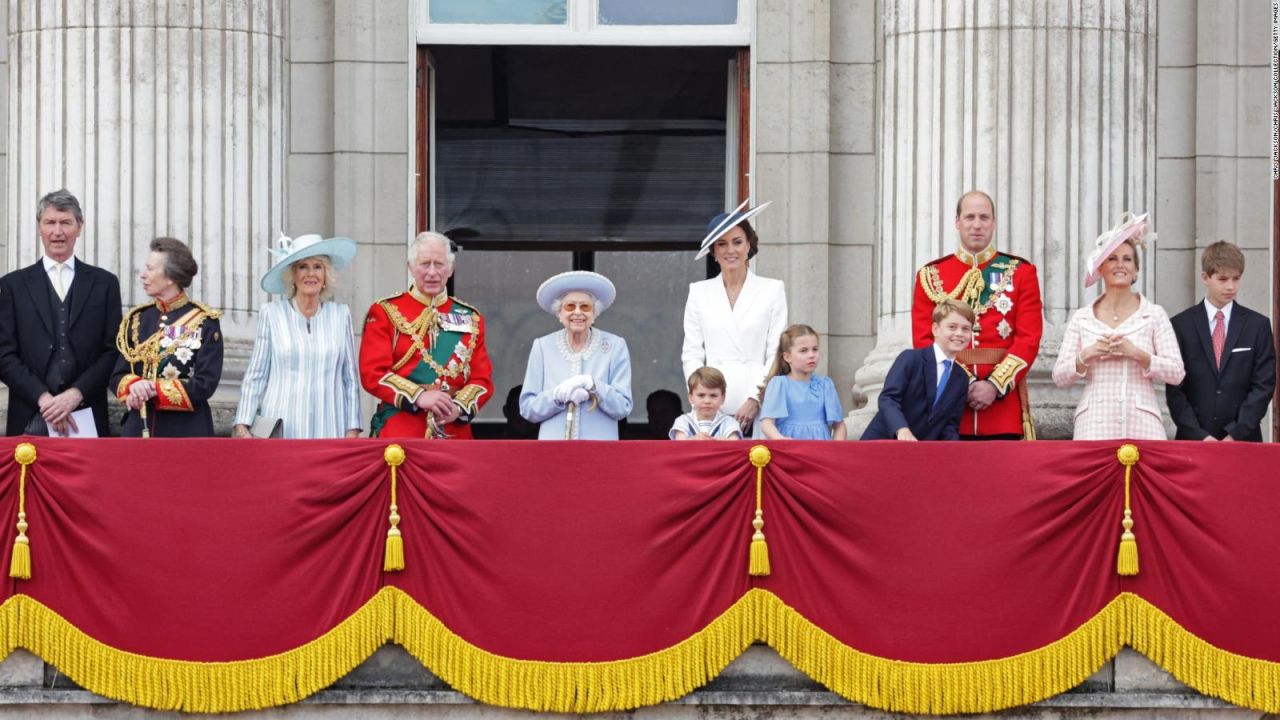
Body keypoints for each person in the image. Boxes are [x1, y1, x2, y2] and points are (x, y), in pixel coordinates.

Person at [913, 191, 1043, 439]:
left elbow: (1029, 338)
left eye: (984, 217)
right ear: (957, 222)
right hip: (950, 408)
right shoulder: (931, 275)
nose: (976, 225)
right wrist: (965, 384)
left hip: (1001, 411)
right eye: (969, 217)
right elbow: (924, 341)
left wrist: (994, 385)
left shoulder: (1021, 272)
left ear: (993, 222)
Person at [0, 190, 122, 436]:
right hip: (29, 415)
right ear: (39, 227)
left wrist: (75, 395)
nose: (58, 231)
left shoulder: (105, 283)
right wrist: (43, 398)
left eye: (66, 222)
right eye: (50, 222)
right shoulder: (12, 285)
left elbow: (113, 351)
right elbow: (4, 354)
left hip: (86, 414)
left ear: (79, 227)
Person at [1051, 214, 1184, 440]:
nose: (1120, 265)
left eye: (1127, 259)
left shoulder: (1154, 314)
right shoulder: (1082, 318)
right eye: (1112, 259)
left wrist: (1138, 354)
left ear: (1136, 270)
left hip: (1142, 424)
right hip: (1094, 424)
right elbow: (1059, 377)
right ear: (1101, 269)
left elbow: (1176, 373)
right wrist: (1086, 355)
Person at [359, 232, 493, 439]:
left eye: (439, 264)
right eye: (424, 264)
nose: (432, 272)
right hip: (402, 428)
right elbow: (373, 373)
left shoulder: (471, 317)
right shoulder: (386, 311)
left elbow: (482, 380)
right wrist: (419, 396)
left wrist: (458, 408)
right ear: (410, 267)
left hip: (453, 430)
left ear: (451, 269)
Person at [232, 233, 363, 439]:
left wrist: (353, 428)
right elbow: (257, 374)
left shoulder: (340, 315)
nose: (310, 274)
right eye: (303, 266)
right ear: (292, 275)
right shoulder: (271, 313)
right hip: (282, 427)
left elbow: (350, 378)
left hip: (330, 427)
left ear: (326, 275)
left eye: (318, 267)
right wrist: (242, 424)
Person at [681, 201, 787, 435]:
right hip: (712, 400)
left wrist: (756, 398)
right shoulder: (699, 292)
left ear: (749, 245)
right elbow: (692, 353)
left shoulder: (772, 289)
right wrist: (703, 399)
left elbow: (776, 351)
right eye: (722, 244)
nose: (731, 250)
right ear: (714, 252)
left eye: (737, 242)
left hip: (757, 399)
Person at [112, 237, 224, 437]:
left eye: (150, 269)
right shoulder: (137, 320)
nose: (143, 275)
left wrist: (154, 390)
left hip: (185, 432)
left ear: (171, 277)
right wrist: (133, 386)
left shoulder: (204, 322)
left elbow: (205, 384)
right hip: (139, 428)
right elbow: (117, 375)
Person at [1166, 241, 1276, 441]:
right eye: (1223, 279)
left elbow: (1263, 385)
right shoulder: (1180, 325)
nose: (1231, 286)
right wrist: (1199, 435)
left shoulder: (1258, 325)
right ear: (1205, 277)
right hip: (1194, 441)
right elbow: (1175, 389)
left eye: (1236, 278)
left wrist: (1236, 432)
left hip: (1244, 441)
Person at [519, 271, 633, 440]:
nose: (578, 313)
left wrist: (594, 387)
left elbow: (623, 407)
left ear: (595, 313)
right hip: (554, 450)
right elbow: (527, 409)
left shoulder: (615, 346)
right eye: (570, 306)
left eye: (585, 307)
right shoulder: (542, 347)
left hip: (600, 450)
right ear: (559, 313)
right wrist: (556, 397)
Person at [861, 299, 975, 441]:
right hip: (885, 443)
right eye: (952, 327)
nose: (959, 333)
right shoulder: (911, 358)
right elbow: (888, 399)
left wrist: (955, 453)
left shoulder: (961, 377)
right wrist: (901, 429)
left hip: (921, 454)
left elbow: (949, 425)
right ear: (935, 329)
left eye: (966, 329)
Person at [759, 324, 846, 440]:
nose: (811, 355)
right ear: (787, 357)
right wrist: (781, 440)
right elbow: (767, 423)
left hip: (820, 451)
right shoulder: (779, 384)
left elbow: (839, 425)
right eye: (803, 351)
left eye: (815, 349)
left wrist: (835, 451)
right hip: (789, 450)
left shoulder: (825, 384)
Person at [670, 367, 743, 440]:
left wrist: (726, 442)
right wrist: (693, 440)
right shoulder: (683, 421)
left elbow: (735, 443)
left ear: (722, 398)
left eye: (713, 395)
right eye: (701, 395)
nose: (707, 401)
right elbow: (679, 443)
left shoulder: (729, 422)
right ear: (691, 398)